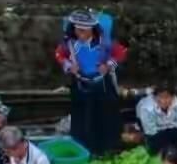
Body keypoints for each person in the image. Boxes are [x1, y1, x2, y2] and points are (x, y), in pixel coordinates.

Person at [54, 9, 127, 156]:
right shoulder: (69, 43)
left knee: (105, 117)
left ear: (92, 29)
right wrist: (69, 66)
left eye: (84, 31)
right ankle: (84, 150)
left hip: (102, 85)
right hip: (81, 85)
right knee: (83, 120)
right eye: (78, 30)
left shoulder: (104, 43)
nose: (80, 34)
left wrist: (108, 65)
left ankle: (107, 150)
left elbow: (121, 53)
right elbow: (59, 55)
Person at [137, 85, 177, 155]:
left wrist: (166, 127)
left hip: (168, 129)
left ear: (173, 97)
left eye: (167, 97)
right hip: (153, 132)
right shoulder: (146, 107)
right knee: (156, 142)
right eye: (160, 97)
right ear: (154, 97)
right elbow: (150, 131)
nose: (163, 101)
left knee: (176, 134)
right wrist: (168, 126)